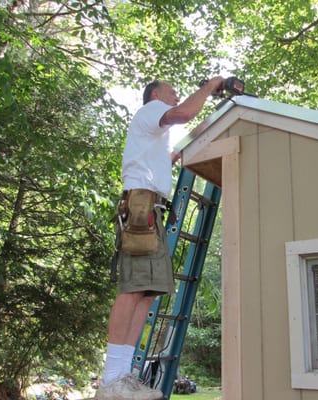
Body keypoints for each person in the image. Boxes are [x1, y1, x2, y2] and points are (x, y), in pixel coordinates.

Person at [95, 77, 225, 400]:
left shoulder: (153, 136)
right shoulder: (151, 111)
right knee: (132, 289)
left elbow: (167, 158)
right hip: (141, 208)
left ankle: (124, 375)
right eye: (171, 91)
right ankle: (111, 378)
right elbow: (182, 114)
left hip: (151, 208)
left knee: (147, 293)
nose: (175, 95)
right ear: (155, 95)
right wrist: (211, 86)